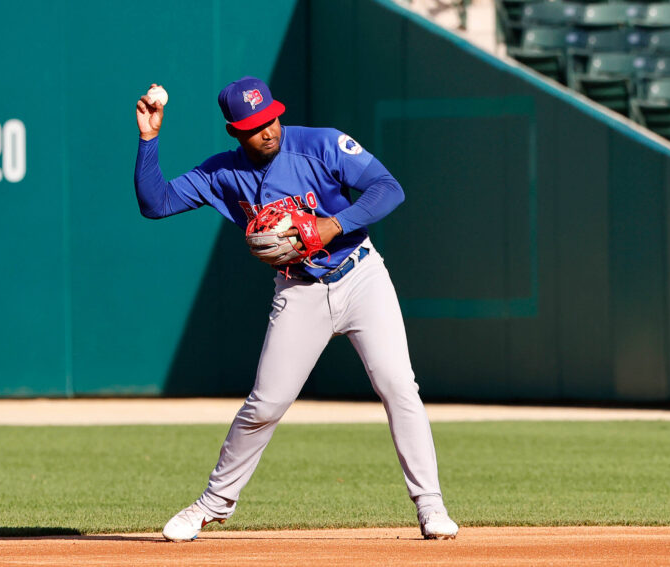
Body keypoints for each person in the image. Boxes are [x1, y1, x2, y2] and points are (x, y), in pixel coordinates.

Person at [134, 76, 458, 542]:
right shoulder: (222, 173)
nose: (267, 130)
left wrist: (334, 225)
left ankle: (430, 505)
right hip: (298, 289)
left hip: (360, 274)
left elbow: (388, 188)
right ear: (234, 131)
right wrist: (149, 139)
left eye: (270, 118)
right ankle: (212, 504)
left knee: (398, 387)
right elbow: (156, 203)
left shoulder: (321, 145)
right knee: (265, 404)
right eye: (253, 126)